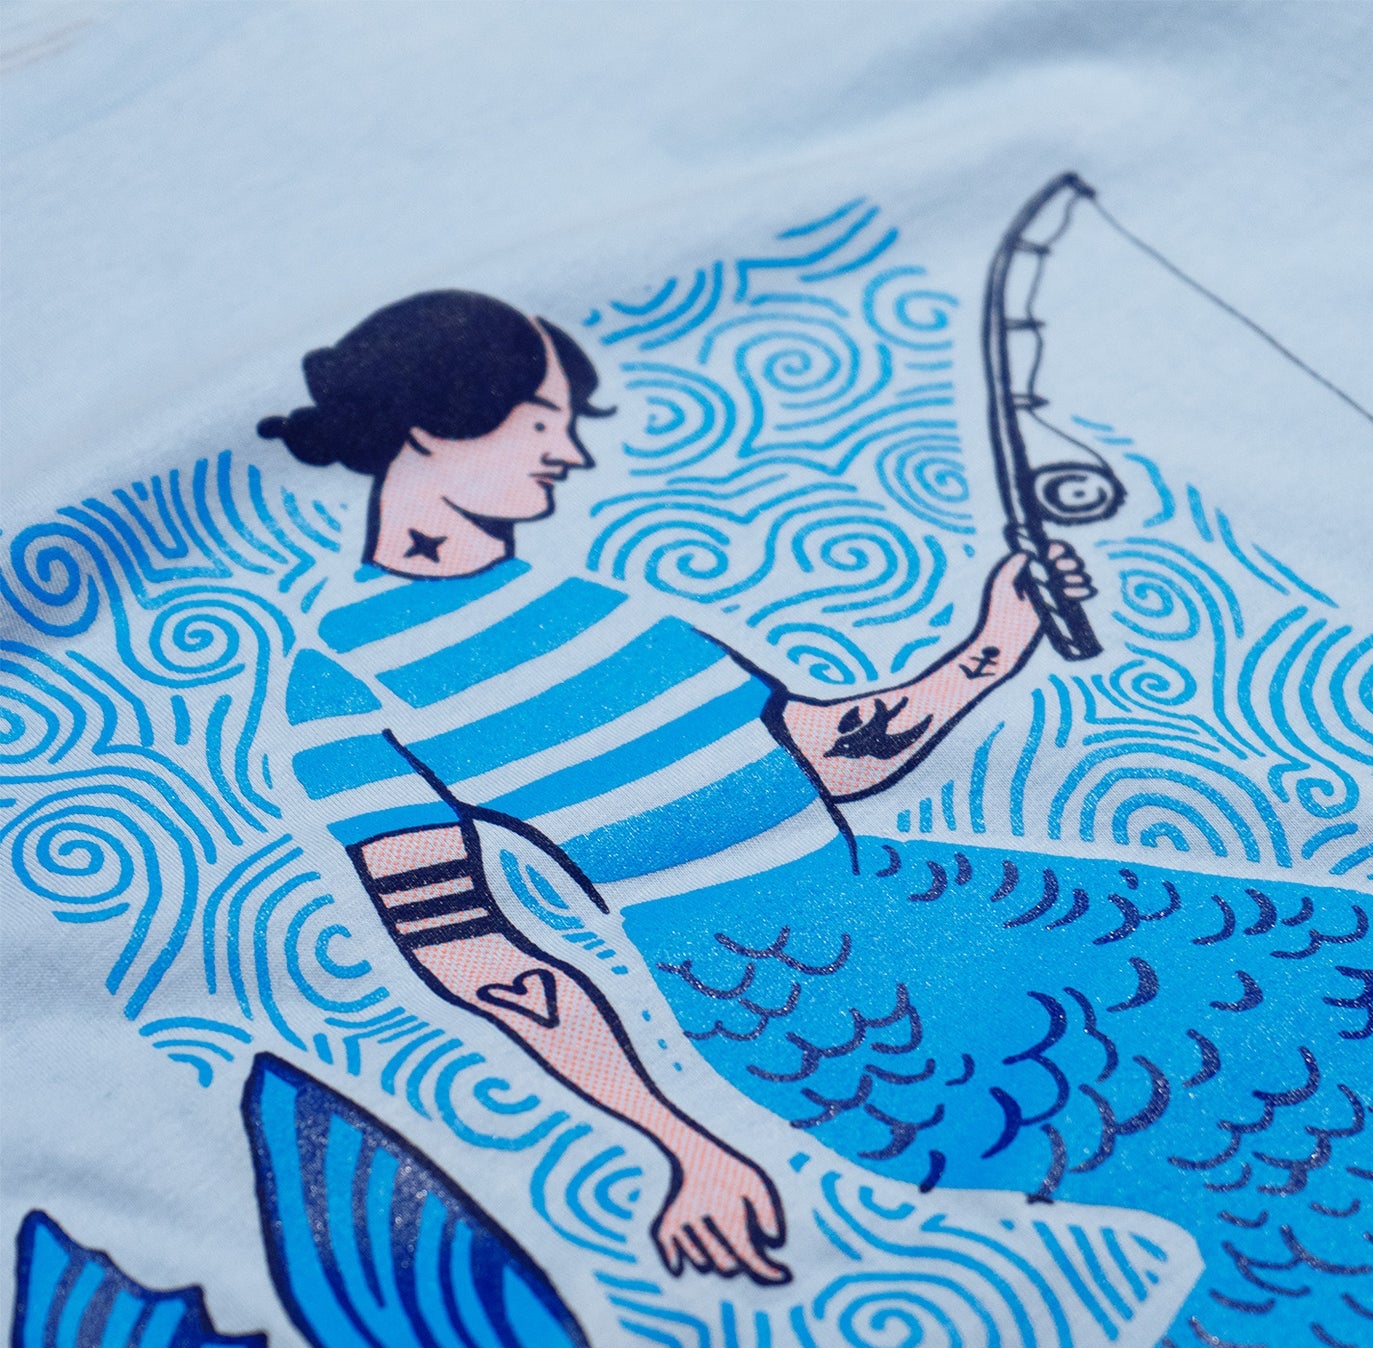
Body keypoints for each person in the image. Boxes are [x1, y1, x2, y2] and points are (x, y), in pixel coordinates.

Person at [259, 289, 1094, 1285]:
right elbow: (467, 950)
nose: (569, 452)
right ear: (438, 423)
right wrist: (681, 1143)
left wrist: (995, 642)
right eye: (542, 422)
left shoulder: (586, 605)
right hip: (785, 1005)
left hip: (933, 902)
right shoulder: (340, 676)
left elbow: (823, 757)